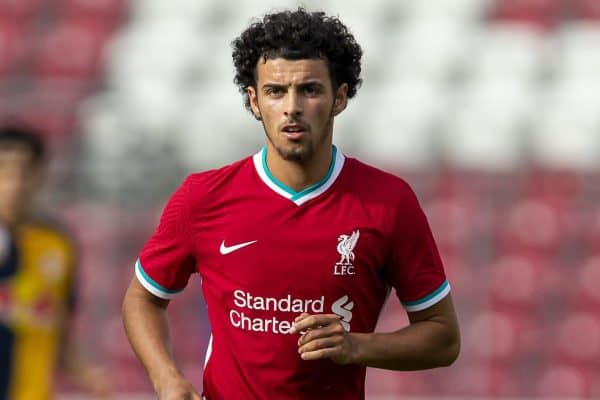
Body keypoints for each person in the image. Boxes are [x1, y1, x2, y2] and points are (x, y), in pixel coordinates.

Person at [122, 8, 460, 400]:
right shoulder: (203, 197)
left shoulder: (388, 203)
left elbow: (443, 337)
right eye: (275, 91)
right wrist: (167, 379)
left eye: (310, 90)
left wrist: (356, 346)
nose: (292, 107)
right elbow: (142, 298)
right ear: (253, 100)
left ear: (341, 98)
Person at [0, 124, 111, 399]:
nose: (14, 183)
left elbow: (59, 328)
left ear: (40, 174)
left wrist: (85, 373)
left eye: (25, 170)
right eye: (3, 169)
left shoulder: (58, 244)